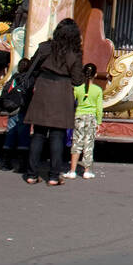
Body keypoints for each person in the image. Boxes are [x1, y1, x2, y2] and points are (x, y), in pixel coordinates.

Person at [23, 19, 85, 186]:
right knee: (57, 135)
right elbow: (78, 80)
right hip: (62, 90)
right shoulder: (74, 53)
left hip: (43, 88)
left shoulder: (45, 47)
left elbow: (32, 67)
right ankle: (53, 175)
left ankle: (31, 174)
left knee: (38, 133)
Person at [66, 63, 105, 180]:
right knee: (89, 144)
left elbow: (72, 103)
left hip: (78, 116)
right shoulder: (98, 90)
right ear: (96, 74)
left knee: (76, 143)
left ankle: (72, 170)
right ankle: (87, 171)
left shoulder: (77, 89)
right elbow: (99, 108)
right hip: (91, 118)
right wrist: (99, 122)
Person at [0, 59, 32, 171]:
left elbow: (5, 91)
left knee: (10, 134)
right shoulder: (28, 79)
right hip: (23, 109)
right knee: (23, 136)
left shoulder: (14, 78)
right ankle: (22, 165)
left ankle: (6, 162)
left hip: (12, 109)